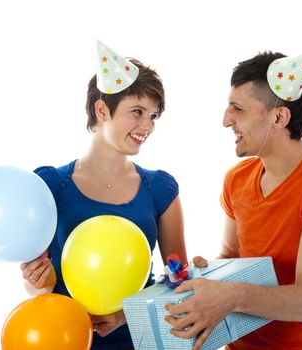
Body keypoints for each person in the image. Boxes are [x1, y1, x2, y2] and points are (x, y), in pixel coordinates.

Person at [164, 51, 302, 350]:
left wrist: (230, 295)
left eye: (237, 108)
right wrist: (210, 271)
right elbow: (231, 256)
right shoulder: (236, 179)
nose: (226, 120)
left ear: (279, 117)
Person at [20, 40, 187, 350]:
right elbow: (35, 283)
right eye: (137, 112)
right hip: (64, 339)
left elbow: (178, 275)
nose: (147, 126)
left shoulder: (161, 190)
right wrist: (38, 283)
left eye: (153, 116)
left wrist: (127, 314)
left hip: (140, 341)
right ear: (102, 110)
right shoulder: (51, 186)